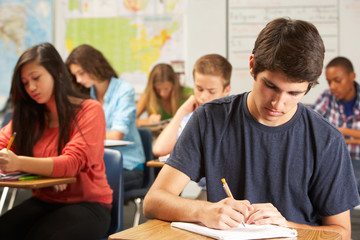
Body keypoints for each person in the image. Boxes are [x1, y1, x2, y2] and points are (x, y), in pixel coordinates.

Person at [143, 18, 360, 239]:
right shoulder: (210, 119)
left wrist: (286, 225)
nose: (278, 103)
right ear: (252, 65)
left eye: (294, 93)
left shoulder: (326, 140)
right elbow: (153, 201)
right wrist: (203, 211)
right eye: (270, 86)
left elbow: (341, 233)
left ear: (308, 87)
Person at [0, 42, 112, 239]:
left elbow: (71, 164)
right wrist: (47, 174)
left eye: (36, 78)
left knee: (42, 236)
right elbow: (2, 149)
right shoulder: (28, 115)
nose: (31, 87)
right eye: (25, 83)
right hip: (45, 201)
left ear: (58, 73)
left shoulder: (89, 110)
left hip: (89, 205)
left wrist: (19, 163)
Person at [65, 44, 145, 191]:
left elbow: (116, 135)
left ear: (94, 65)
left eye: (81, 73)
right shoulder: (86, 96)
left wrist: (84, 137)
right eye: (75, 75)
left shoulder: (124, 90)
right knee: (67, 180)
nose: (78, 80)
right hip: (98, 165)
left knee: (86, 186)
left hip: (128, 166)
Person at [152, 54, 232, 200]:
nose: (203, 97)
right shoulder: (193, 117)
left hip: (232, 194)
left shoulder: (232, 118)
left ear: (226, 90)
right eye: (199, 89)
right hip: (210, 193)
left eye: (211, 91)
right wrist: (182, 111)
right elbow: (159, 149)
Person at [312, 56, 360, 193]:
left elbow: (331, 133)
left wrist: (341, 131)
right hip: (335, 159)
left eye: (337, 81)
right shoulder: (327, 97)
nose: (333, 86)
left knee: (346, 184)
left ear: (352, 76)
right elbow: (311, 123)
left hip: (355, 159)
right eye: (329, 82)